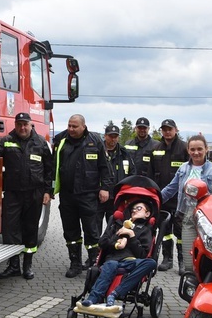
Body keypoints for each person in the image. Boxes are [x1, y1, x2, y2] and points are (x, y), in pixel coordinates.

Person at [0, 112, 53, 280]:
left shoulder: (41, 143)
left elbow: (50, 170)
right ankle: (13, 266)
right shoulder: (7, 140)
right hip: (13, 193)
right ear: (15, 125)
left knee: (30, 231)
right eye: (19, 124)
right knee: (9, 230)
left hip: (34, 194)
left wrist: (48, 191)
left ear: (30, 125)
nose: (22, 127)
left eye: (25, 124)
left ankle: (27, 266)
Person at [53, 114, 113, 278]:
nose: (71, 129)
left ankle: (95, 264)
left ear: (83, 126)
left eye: (75, 126)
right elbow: (52, 165)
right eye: (69, 126)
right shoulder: (61, 140)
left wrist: (105, 188)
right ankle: (75, 264)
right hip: (67, 195)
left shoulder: (95, 141)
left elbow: (105, 168)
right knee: (70, 232)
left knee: (91, 232)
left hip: (88, 195)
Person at [160, 134, 212, 274]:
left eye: (200, 149)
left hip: (207, 218)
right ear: (188, 150)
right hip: (185, 216)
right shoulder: (183, 169)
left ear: (206, 149)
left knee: (206, 252)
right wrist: (155, 200)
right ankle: (187, 270)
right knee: (187, 248)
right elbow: (171, 188)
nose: (196, 152)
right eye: (192, 149)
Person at [80, 200, 157, 307]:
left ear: (147, 213)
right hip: (113, 260)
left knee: (151, 263)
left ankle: (116, 293)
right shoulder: (117, 225)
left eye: (139, 208)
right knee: (111, 264)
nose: (134, 210)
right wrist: (116, 244)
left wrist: (131, 235)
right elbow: (102, 242)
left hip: (131, 262)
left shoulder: (145, 230)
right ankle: (93, 299)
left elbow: (142, 254)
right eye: (133, 209)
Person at [149, 119, 189, 274]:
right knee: (165, 231)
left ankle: (183, 262)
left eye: (169, 129)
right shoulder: (156, 148)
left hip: (180, 200)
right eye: (164, 129)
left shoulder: (184, 148)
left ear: (176, 130)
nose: (167, 132)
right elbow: (151, 173)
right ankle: (167, 259)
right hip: (163, 198)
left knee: (181, 233)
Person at [95, 124, 135, 235]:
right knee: (95, 228)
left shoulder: (124, 153)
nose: (113, 139)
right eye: (110, 136)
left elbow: (132, 173)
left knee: (116, 227)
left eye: (115, 136)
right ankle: (97, 250)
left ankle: (112, 249)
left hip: (117, 198)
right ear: (105, 136)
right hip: (99, 197)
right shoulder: (97, 151)